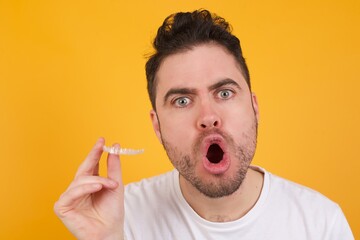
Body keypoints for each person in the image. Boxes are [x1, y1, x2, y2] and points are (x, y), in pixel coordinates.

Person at [54, 9, 354, 240]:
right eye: (182, 101)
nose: (208, 117)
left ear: (254, 107)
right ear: (157, 126)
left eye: (224, 93)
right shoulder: (120, 217)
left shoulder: (320, 223)